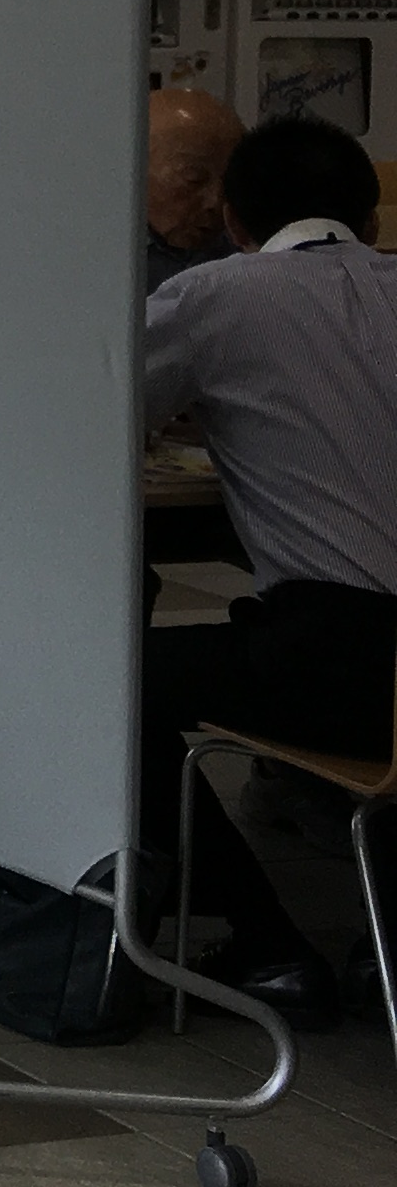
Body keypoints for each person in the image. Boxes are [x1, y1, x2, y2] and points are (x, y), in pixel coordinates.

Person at [139, 114, 397, 1028]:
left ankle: (265, 945)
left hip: (346, 658)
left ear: (234, 221)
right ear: (371, 220)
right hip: (374, 671)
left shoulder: (214, 296)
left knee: (106, 685)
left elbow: (91, 417)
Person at [148, 87, 243, 295]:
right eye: (193, 179)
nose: (215, 202)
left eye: (229, 182)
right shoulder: (97, 248)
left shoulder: (247, 253)